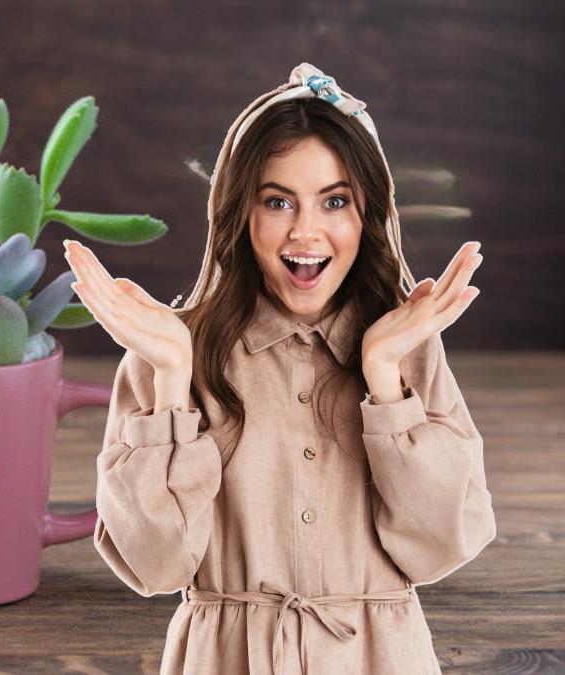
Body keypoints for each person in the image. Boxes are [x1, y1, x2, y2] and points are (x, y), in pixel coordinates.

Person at [63, 63, 496, 674]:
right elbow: (154, 567)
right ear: (240, 213)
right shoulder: (173, 351)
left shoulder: (407, 352)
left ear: (366, 214)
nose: (305, 231)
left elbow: (441, 546)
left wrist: (382, 372)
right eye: (277, 201)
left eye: (335, 201)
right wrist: (169, 379)